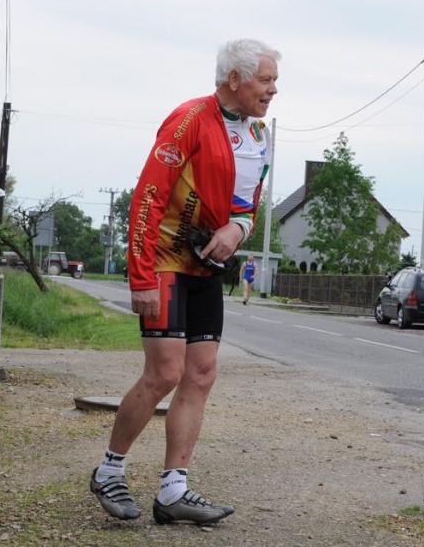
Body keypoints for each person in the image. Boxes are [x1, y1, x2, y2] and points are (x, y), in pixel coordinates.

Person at [89, 38, 280, 525]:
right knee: (165, 373)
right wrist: (141, 276)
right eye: (266, 80)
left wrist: (237, 229)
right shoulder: (190, 118)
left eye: (275, 81)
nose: (273, 90)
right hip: (165, 260)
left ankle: (174, 490)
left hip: (205, 267)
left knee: (201, 374)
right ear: (234, 79)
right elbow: (149, 195)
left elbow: (247, 203)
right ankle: (109, 470)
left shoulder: (257, 133)